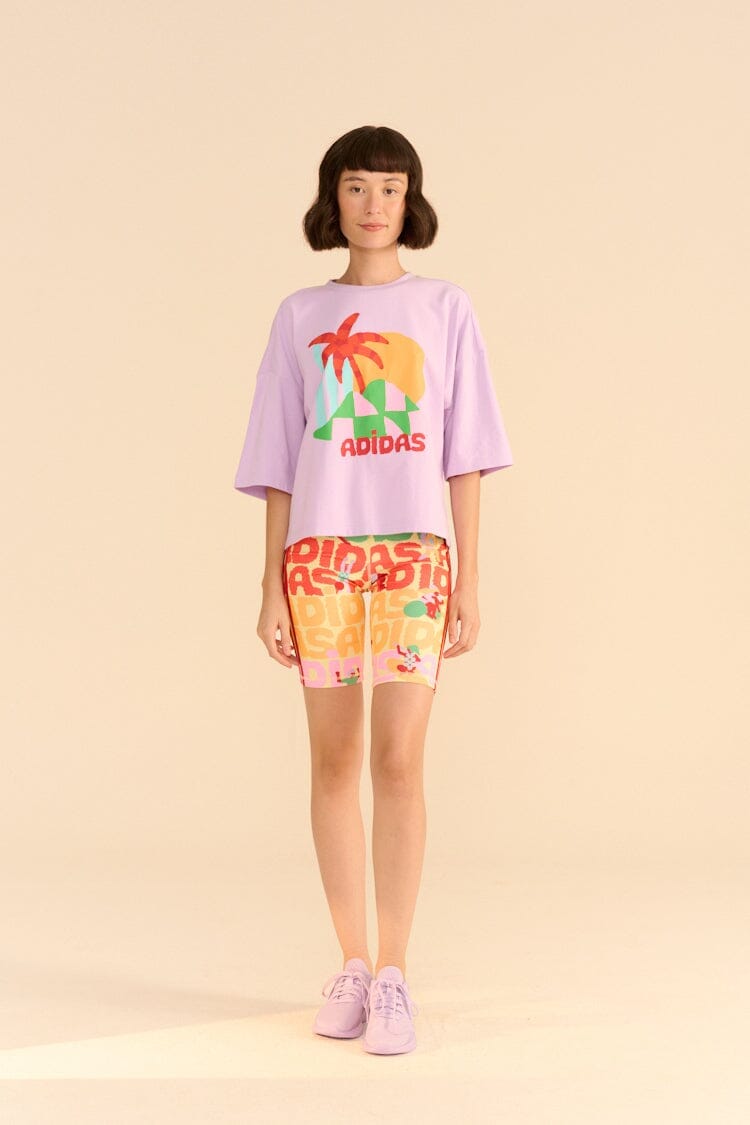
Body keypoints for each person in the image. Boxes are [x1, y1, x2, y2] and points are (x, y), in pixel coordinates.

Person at [233, 125, 513, 1055]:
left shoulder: (445, 307)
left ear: (410, 200)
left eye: (390, 188)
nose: (374, 204)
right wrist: (270, 582)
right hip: (319, 557)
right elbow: (279, 456)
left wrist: (468, 576)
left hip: (415, 557)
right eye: (357, 186)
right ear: (334, 198)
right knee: (332, 763)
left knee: (398, 762)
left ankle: (394, 971)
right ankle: (350, 963)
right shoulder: (300, 315)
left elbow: (467, 453)